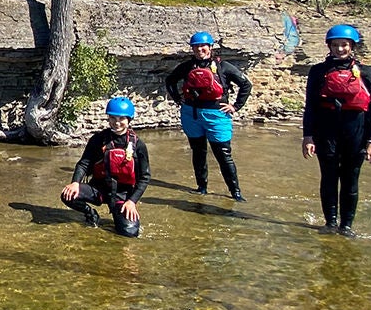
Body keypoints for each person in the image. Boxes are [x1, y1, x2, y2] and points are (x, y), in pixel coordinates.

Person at [302, 24, 371, 235]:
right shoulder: (318, 71)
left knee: (350, 179)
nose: (339, 49)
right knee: (328, 177)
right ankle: (330, 223)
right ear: (329, 46)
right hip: (326, 132)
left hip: (356, 133)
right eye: (335, 45)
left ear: (352, 46)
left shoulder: (366, 72)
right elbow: (310, 106)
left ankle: (346, 226)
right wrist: (308, 136)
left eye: (344, 45)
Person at [164, 30, 252, 201]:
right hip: (191, 114)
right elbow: (170, 80)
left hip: (217, 115)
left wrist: (235, 106)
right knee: (198, 152)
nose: (199, 49)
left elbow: (246, 85)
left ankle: (236, 193)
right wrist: (178, 99)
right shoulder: (187, 67)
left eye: (203, 46)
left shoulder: (223, 67)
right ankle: (201, 188)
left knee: (223, 155)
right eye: (196, 46)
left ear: (210, 47)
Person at [61, 96, 151, 238]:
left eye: (121, 118)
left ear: (129, 119)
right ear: (108, 118)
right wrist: (75, 183)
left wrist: (132, 201)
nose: (117, 122)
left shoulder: (138, 145)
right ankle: (91, 214)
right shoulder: (98, 139)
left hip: (122, 194)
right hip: (98, 189)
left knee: (129, 233)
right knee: (68, 194)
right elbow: (83, 164)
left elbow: (145, 177)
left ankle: (119, 213)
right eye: (113, 118)